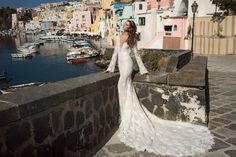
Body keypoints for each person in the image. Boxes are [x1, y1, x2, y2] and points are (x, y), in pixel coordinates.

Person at [103, 20, 214, 157]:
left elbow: (137, 55)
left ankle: (126, 115)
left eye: (127, 24)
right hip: (120, 64)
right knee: (123, 88)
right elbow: (115, 53)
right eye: (125, 24)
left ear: (131, 28)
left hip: (127, 64)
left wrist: (143, 70)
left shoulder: (132, 39)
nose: (125, 26)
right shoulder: (121, 36)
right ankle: (125, 113)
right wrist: (110, 68)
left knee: (122, 85)